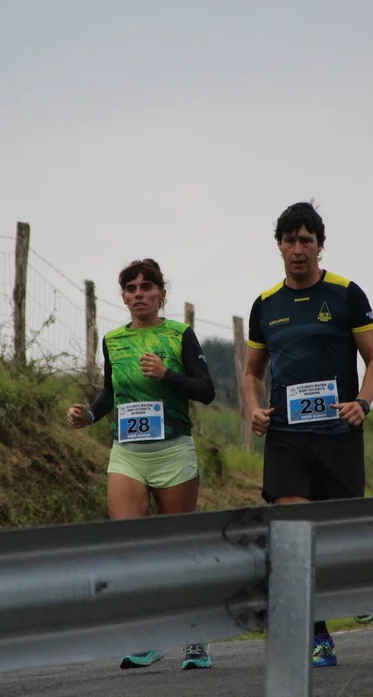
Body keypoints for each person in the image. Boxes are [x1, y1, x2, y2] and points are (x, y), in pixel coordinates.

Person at [240, 202, 373, 668]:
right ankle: (318, 635)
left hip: (338, 432)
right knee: (295, 533)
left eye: (307, 240)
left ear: (320, 246)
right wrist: (254, 410)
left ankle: (355, 586)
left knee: (338, 531)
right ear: (279, 246)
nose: (298, 249)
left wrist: (362, 403)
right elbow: (251, 373)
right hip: (286, 436)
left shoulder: (346, 294)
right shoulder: (265, 305)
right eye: (290, 240)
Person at [67, 258, 217, 671]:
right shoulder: (113, 340)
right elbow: (109, 392)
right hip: (128, 452)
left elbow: (206, 391)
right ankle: (149, 638)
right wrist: (89, 415)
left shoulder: (179, 335)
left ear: (161, 295)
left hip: (172, 450)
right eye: (131, 289)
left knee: (179, 548)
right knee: (131, 547)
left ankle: (195, 638)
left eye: (146, 287)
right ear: (123, 297)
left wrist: (168, 375)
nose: (138, 294)